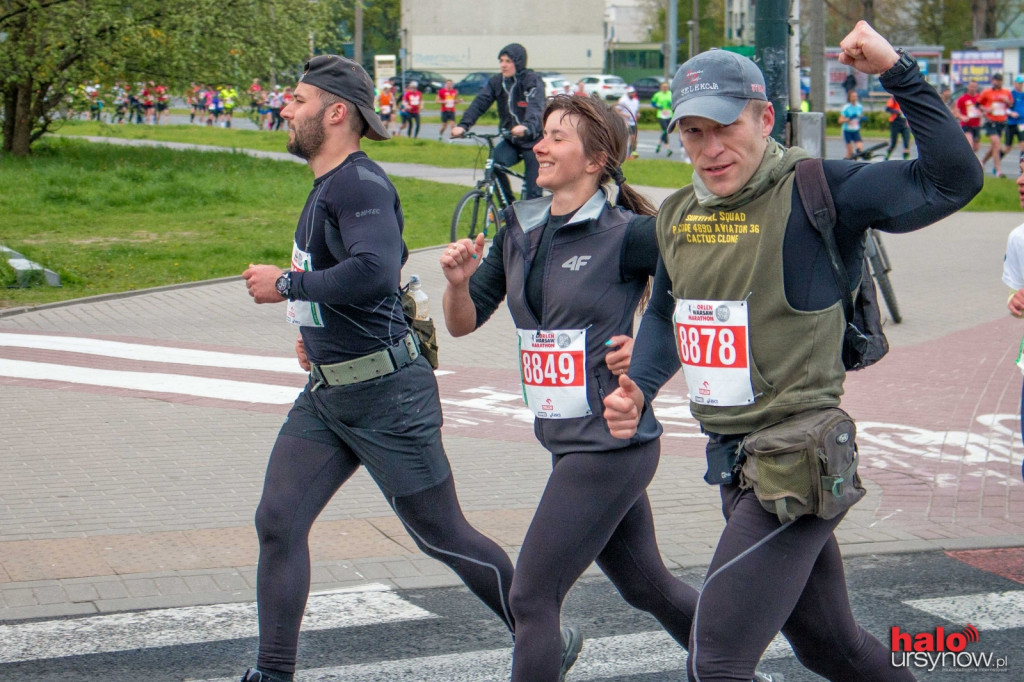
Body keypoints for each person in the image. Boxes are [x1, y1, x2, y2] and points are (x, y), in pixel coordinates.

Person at [601, 22, 982, 682]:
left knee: (715, 661)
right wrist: (638, 384)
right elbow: (666, 312)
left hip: (796, 464)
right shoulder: (680, 215)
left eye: (726, 127)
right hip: (732, 464)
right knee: (832, 648)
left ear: (764, 117)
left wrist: (895, 69)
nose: (711, 148)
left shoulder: (816, 189)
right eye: (694, 131)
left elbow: (954, 179)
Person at [238, 54, 527, 682]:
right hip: (329, 395)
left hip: (388, 396)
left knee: (441, 535)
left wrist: (288, 284)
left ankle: (538, 634)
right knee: (278, 521)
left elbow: (374, 270)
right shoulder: (327, 184)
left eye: (298, 100)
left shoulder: (359, 185)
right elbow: (351, 281)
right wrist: (312, 331)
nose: (285, 109)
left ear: (336, 113)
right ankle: (272, 672)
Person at [441, 94, 698, 682]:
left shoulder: (631, 234)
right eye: (543, 134)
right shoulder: (520, 225)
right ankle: (731, 664)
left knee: (531, 597)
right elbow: (462, 322)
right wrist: (457, 284)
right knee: (647, 586)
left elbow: (698, 301)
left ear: (596, 159)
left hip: (610, 443)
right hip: (565, 438)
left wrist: (655, 352)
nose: (540, 145)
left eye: (558, 137)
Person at [452, 43, 544, 200]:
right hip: (511, 140)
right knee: (494, 164)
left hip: (534, 142)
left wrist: (527, 126)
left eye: (508, 61)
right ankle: (508, 208)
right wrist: (463, 125)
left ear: (519, 62)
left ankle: (534, 222)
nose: (503, 65)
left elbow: (536, 107)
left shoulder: (531, 81)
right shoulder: (497, 82)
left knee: (533, 193)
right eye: (501, 61)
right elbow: (480, 102)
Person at [979, 72, 1013, 176]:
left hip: (1001, 122)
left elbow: (1011, 105)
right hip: (990, 121)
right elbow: (978, 105)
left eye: (999, 80)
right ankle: (998, 170)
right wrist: (986, 109)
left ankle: (982, 162)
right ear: (992, 81)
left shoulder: (1006, 92)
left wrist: (1007, 101)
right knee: (997, 143)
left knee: (994, 146)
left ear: (1001, 82)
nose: (997, 82)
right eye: (995, 80)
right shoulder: (987, 92)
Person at [956, 79, 983, 154]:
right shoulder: (962, 99)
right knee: (970, 145)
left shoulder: (980, 98)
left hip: (976, 125)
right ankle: (971, 163)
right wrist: (962, 117)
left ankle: (968, 158)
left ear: (977, 87)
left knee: (976, 148)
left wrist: (982, 112)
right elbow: (956, 113)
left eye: (974, 87)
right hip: (966, 125)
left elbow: (983, 109)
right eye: (971, 86)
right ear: (968, 87)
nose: (972, 88)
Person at [838, 88, 865, 159]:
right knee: (850, 153)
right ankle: (844, 163)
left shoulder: (859, 107)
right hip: (847, 131)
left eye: (856, 96)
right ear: (849, 98)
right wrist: (848, 119)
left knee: (859, 150)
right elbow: (840, 120)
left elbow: (860, 116)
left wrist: (862, 118)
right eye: (853, 96)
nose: (855, 98)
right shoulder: (846, 107)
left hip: (855, 131)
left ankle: (854, 165)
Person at [884, 94, 912, 160]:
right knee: (893, 143)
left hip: (905, 123)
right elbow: (887, 108)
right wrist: (897, 111)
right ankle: (886, 157)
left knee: (906, 143)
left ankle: (906, 160)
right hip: (895, 122)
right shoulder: (894, 98)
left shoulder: (907, 98)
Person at [616, 85, 640, 158]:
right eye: (630, 93)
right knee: (625, 138)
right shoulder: (623, 100)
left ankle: (630, 154)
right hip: (625, 122)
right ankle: (622, 154)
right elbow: (617, 110)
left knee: (633, 138)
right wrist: (625, 115)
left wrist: (637, 115)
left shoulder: (636, 101)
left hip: (633, 122)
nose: (632, 94)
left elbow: (636, 111)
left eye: (633, 93)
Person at [652, 80, 675, 156]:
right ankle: (668, 149)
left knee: (666, 131)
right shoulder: (657, 95)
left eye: (666, 87)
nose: (665, 88)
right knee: (665, 130)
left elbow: (675, 102)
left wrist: (671, 104)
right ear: (661, 88)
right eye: (663, 87)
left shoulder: (670, 94)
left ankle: (658, 145)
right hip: (661, 115)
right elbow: (653, 103)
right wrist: (658, 106)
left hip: (669, 115)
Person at [1005, 75, 1024, 156]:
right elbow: (1004, 108)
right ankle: (997, 162)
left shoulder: (1023, 95)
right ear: (1015, 84)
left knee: (1023, 145)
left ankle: (1022, 165)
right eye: (1018, 83)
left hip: (1021, 123)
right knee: (1007, 148)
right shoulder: (1011, 94)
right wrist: (1011, 113)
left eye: (1021, 83)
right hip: (1011, 123)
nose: (1020, 85)